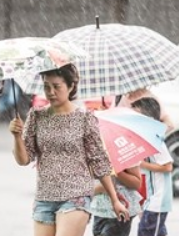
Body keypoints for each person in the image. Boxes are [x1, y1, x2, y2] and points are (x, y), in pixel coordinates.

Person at [8, 63, 129, 236]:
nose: (51, 92)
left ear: (71, 86)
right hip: (45, 196)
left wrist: (115, 200)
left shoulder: (85, 118)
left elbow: (99, 161)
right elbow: (24, 160)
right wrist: (16, 136)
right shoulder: (36, 116)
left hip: (76, 195)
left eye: (56, 86)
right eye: (46, 87)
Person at [131, 97, 174, 236]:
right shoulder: (146, 139)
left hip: (158, 200)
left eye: (136, 117)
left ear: (147, 119)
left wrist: (142, 164)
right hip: (152, 199)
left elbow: (168, 166)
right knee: (154, 231)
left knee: (146, 231)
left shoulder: (156, 141)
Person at [91, 164, 143, 236]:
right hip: (99, 210)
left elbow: (137, 184)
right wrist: (99, 188)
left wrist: (117, 171)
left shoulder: (122, 154)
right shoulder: (93, 155)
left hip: (120, 212)